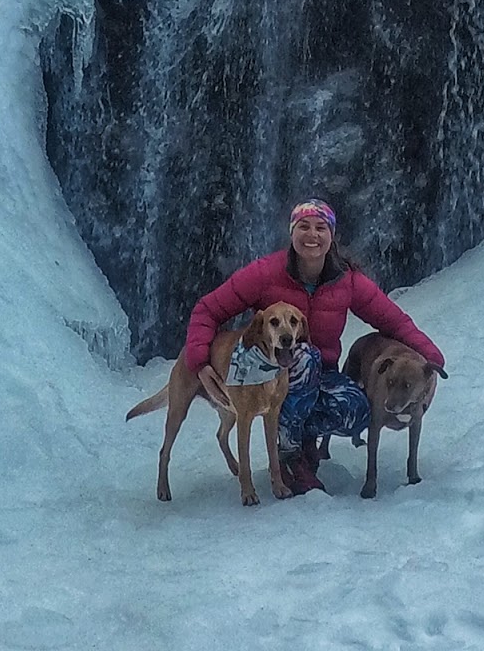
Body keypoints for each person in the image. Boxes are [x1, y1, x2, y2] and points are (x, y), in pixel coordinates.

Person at [184, 197, 446, 494]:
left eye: (321, 227)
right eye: (304, 226)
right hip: (269, 376)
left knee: (357, 410)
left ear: (331, 235)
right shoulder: (264, 274)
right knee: (304, 355)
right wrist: (199, 363)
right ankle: (291, 455)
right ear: (292, 233)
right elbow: (207, 310)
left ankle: (302, 441)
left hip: (322, 375)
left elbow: (397, 323)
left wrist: (432, 362)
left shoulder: (348, 281)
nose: (312, 235)